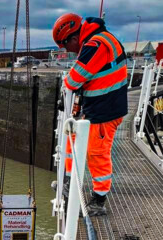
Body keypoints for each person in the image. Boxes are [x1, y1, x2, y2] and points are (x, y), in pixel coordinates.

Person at [52, 13, 128, 216]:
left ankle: (98, 200)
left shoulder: (96, 45)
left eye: (65, 46)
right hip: (97, 108)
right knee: (71, 141)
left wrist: (68, 87)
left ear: (73, 38)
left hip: (105, 111)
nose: (67, 51)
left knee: (97, 154)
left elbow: (75, 78)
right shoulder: (97, 41)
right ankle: (68, 181)